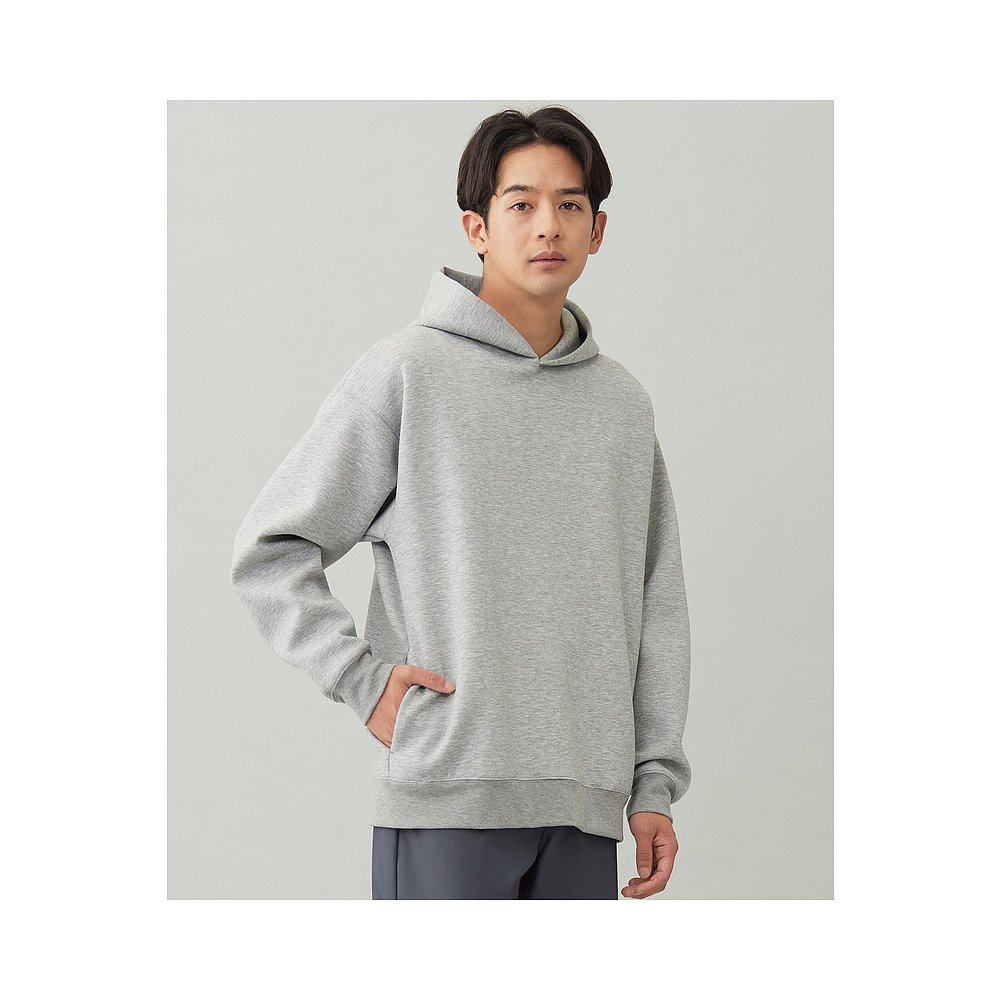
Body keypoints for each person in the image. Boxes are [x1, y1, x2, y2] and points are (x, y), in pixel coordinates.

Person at [230, 106, 692, 900]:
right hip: (446, 796)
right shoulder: (407, 374)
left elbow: (657, 607)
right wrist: (360, 679)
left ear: (598, 230)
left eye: (570, 204)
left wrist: (653, 783)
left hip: (586, 811)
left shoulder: (622, 406)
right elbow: (270, 550)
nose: (547, 225)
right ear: (476, 227)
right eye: (521, 203)